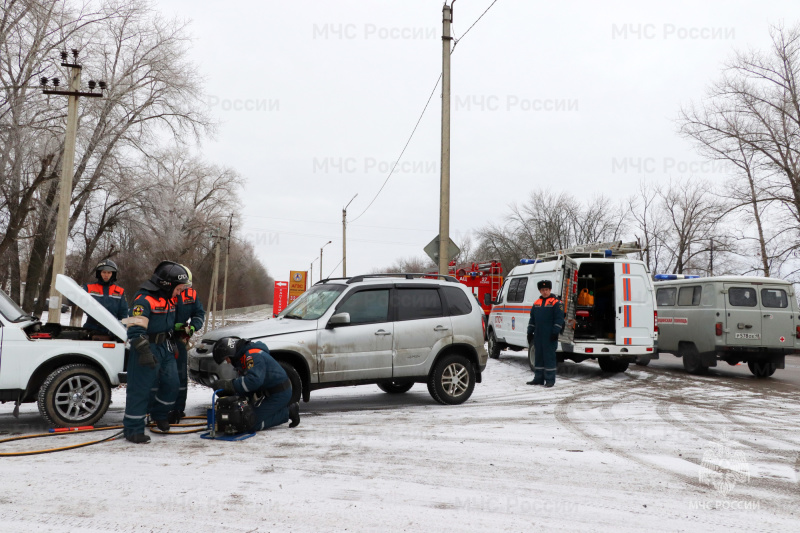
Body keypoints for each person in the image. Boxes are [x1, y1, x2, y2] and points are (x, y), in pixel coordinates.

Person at [122, 261, 190, 444]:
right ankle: (132, 429)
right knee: (140, 388)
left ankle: (159, 414)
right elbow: (134, 328)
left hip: (165, 347)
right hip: (145, 346)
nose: (180, 292)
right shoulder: (143, 299)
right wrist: (144, 351)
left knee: (172, 383)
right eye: (178, 289)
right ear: (167, 284)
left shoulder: (170, 298)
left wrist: (178, 331)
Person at [211, 336, 300, 431]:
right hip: (270, 392)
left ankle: (289, 412)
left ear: (231, 353)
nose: (228, 362)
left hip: (280, 393)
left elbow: (254, 381)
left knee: (250, 422)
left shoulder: (252, 356)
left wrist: (230, 385)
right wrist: (233, 396)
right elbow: (247, 385)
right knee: (243, 417)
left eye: (227, 358)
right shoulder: (243, 357)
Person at [168, 266, 205, 424]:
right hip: (164, 338)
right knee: (164, 375)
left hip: (181, 339)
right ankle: (161, 408)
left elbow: (199, 313)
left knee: (180, 375)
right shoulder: (166, 292)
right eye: (181, 286)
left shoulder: (192, 294)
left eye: (186, 286)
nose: (183, 289)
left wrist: (192, 327)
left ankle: (178, 409)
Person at [526, 279, 565, 387]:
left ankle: (550, 380)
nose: (545, 292)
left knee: (549, 358)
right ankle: (538, 378)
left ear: (550, 289)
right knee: (538, 357)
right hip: (538, 335)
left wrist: (555, 332)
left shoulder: (557, 303)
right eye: (543, 290)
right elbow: (532, 320)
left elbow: (559, 319)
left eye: (547, 289)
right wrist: (529, 332)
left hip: (549, 335)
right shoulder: (536, 303)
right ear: (540, 291)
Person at [83, 259, 128, 339]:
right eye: (104, 272)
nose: (106, 275)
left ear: (113, 274)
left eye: (109, 273)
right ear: (99, 273)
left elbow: (123, 313)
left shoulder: (120, 291)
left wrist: (122, 330)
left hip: (112, 331)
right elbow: (77, 301)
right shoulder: (88, 287)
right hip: (91, 328)